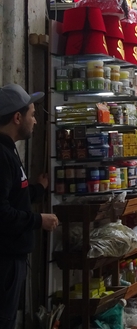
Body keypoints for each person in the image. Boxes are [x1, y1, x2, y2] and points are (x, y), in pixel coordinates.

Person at [0, 84, 58, 329]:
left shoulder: (9, 149)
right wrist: (38, 220)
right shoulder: (2, 155)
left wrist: (38, 190)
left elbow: (15, 194)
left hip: (12, 257)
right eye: (32, 115)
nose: (35, 121)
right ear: (17, 117)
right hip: (5, 260)